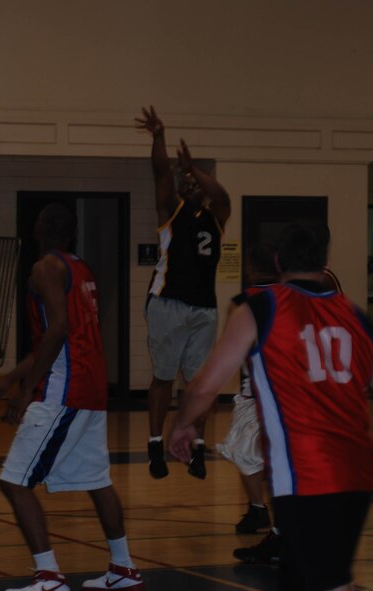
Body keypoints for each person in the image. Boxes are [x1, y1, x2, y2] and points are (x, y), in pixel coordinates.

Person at [169, 221, 373, 591]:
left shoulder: (260, 308)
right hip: (357, 472)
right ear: (326, 261)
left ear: (279, 261)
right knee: (332, 579)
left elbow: (205, 386)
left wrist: (183, 424)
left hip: (305, 475)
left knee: (313, 580)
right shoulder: (357, 316)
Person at [232, 266, 373, 574]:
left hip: (331, 403)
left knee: (359, 473)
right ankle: (281, 535)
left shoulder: (315, 302)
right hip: (314, 403)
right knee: (288, 469)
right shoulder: (301, 304)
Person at [0, 204, 144, 591]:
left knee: (14, 482)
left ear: (39, 228)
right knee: (97, 480)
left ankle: (49, 576)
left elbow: (57, 331)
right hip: (91, 387)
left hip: (65, 389)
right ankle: (123, 568)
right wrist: (11, 378)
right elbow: (57, 337)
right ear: (71, 233)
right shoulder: (81, 268)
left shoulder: (44, 268)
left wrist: (26, 390)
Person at [135, 106, 231, 480]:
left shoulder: (216, 217)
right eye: (186, 182)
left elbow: (221, 194)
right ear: (178, 188)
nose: (191, 185)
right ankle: (155, 444)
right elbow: (161, 172)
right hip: (168, 301)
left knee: (198, 385)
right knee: (163, 377)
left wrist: (194, 169)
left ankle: (197, 448)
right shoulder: (170, 210)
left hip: (204, 308)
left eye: (195, 182)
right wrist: (159, 136)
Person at [215, 243, 280, 534]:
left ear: (250, 269)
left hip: (257, 388)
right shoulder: (292, 298)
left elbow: (232, 351)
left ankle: (259, 509)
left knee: (246, 452)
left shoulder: (242, 303)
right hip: (291, 390)